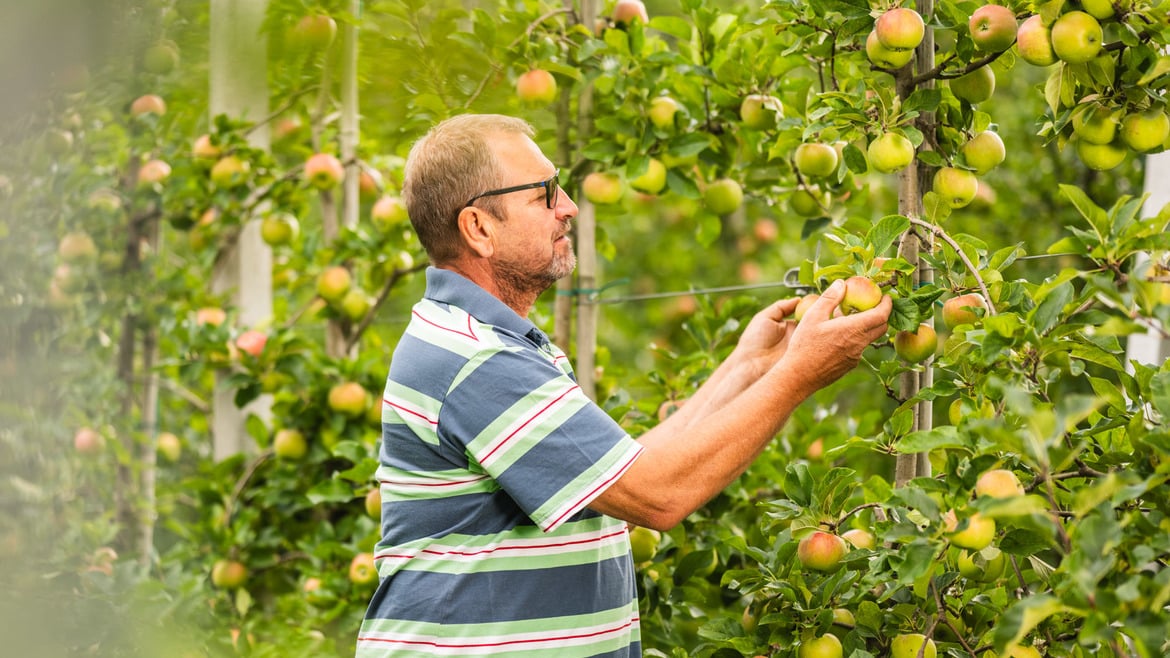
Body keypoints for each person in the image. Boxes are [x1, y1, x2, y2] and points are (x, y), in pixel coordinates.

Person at [355, 113, 891, 657]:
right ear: (479, 228)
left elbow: (623, 473)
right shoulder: (478, 358)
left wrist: (750, 367)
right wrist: (800, 374)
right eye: (544, 193)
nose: (569, 206)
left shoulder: (490, 340)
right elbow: (657, 495)